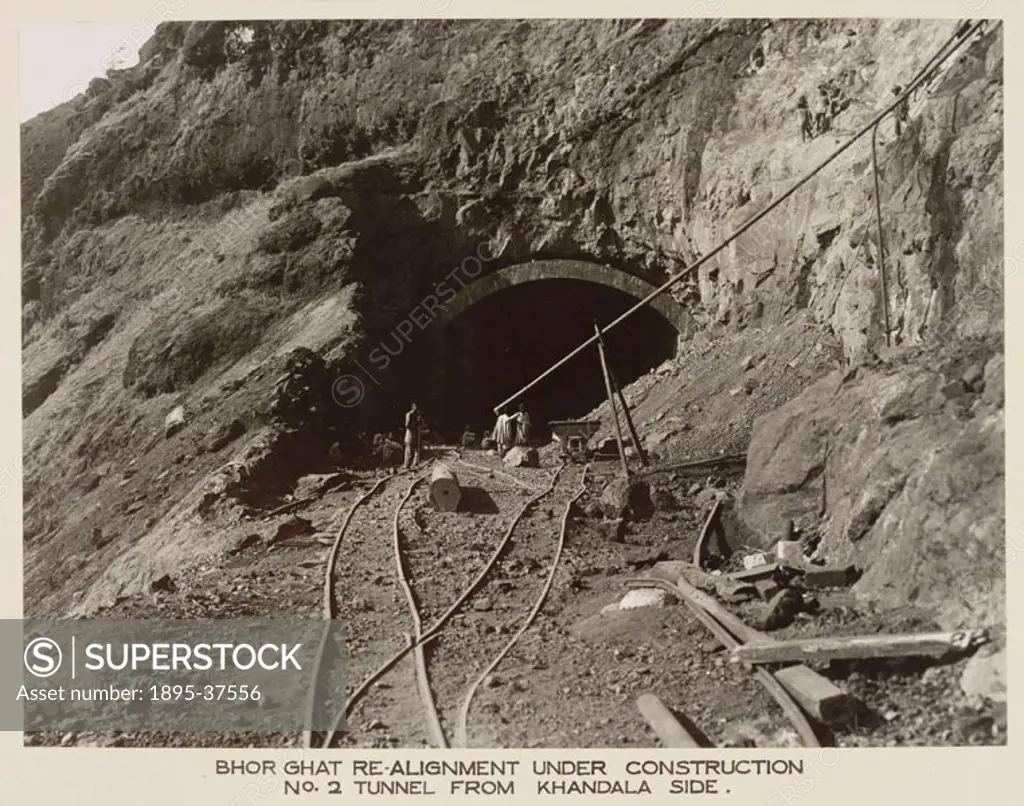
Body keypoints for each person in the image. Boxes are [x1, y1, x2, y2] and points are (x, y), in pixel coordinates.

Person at [403, 402, 424, 469]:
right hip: (410, 435)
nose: (416, 408)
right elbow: (407, 425)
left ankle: (414, 464)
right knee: (408, 451)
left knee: (417, 450)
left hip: (416, 435)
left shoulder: (418, 414)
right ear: (412, 407)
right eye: (415, 406)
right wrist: (415, 423)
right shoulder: (409, 414)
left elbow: (421, 424)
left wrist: (420, 421)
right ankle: (406, 465)